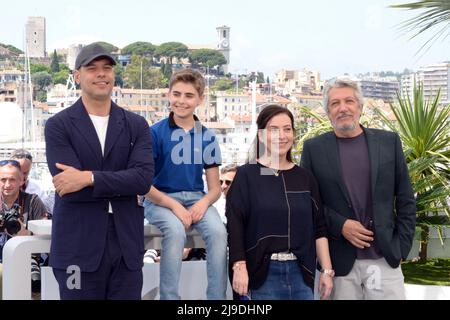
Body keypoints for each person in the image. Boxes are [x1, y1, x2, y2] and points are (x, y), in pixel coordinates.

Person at [44, 43, 154, 300]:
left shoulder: (136, 125)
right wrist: (119, 182)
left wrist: (88, 178)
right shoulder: (58, 126)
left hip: (127, 249)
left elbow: (142, 179)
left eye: (107, 68)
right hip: (77, 249)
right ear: (77, 76)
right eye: (92, 68)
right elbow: (68, 188)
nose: (101, 74)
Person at [300, 78, 416, 300]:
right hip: (339, 264)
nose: (343, 108)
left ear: (360, 107)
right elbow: (308, 203)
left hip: (384, 258)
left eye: (349, 101)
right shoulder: (314, 149)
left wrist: (401, 248)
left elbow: (406, 199)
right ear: (327, 112)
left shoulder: (389, 142)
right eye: (335, 103)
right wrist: (341, 225)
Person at [226, 105, 333, 300]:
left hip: (302, 276)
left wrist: (326, 271)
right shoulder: (246, 175)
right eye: (273, 129)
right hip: (261, 278)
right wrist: (239, 267)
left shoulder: (305, 178)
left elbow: (320, 228)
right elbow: (235, 225)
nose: (281, 135)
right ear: (260, 135)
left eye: (287, 129)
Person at [143, 68, 227, 300]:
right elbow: (145, 186)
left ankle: (217, 299)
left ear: (200, 99)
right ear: (168, 95)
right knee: (175, 230)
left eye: (189, 96)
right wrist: (175, 207)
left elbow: (214, 189)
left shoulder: (207, 136)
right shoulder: (154, 133)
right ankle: (169, 297)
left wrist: (202, 205)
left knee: (219, 233)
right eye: (177, 94)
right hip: (160, 200)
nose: (181, 101)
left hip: (196, 199)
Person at [0, 159, 48, 297]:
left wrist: (26, 235)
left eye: (12, 180)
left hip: (26, 262)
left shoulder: (33, 201)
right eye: (3, 180)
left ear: (22, 181)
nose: (7, 184)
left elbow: (46, 239)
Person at [10, 149, 53, 215]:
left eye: (25, 173)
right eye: (18, 171)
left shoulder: (38, 189)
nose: (21, 176)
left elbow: (44, 212)